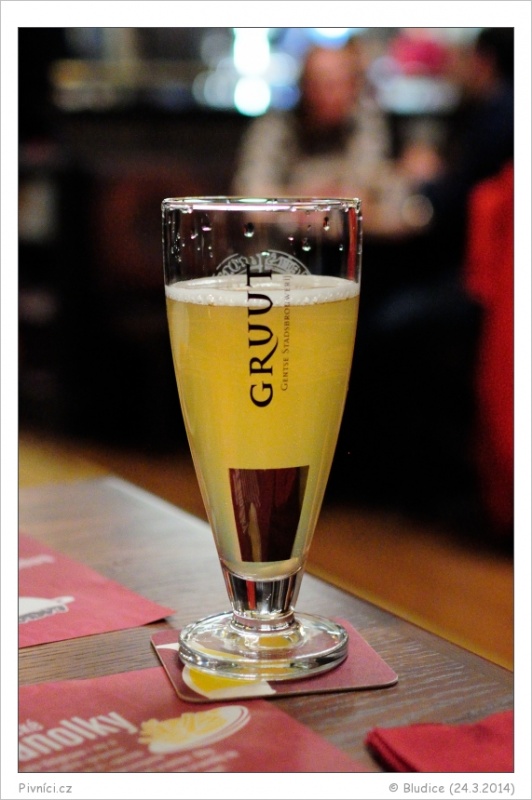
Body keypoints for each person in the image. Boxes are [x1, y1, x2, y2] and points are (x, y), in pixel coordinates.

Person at [233, 41, 416, 236]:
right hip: (286, 245)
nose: (327, 93)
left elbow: (388, 198)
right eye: (318, 82)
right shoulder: (276, 126)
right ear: (303, 85)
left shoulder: (366, 123)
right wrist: (319, 200)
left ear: (355, 86)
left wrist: (309, 198)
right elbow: (251, 199)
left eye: (338, 83)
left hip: (361, 245)